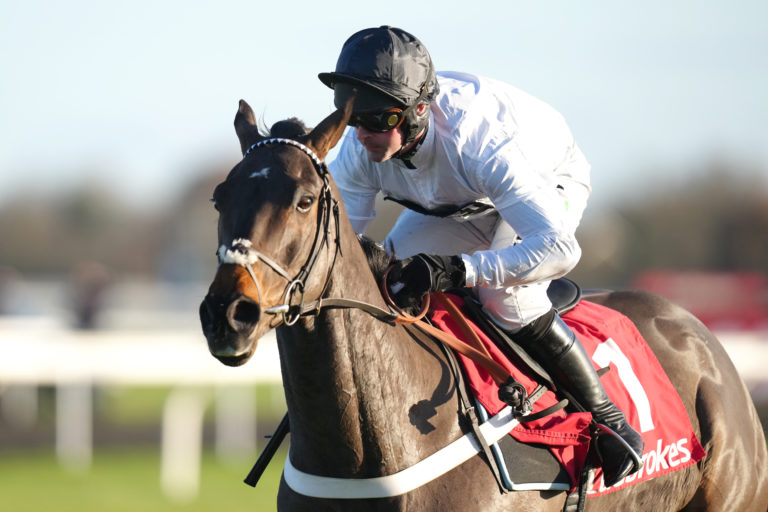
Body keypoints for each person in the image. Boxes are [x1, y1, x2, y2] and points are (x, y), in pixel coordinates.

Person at [319, 25, 643, 487]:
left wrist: (459, 270)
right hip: (460, 204)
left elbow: (559, 248)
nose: (364, 133)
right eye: (353, 116)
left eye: (380, 120)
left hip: (546, 181)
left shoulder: (478, 139)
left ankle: (608, 418)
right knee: (390, 285)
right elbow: (340, 253)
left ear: (418, 111)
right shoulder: (358, 148)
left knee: (503, 298)